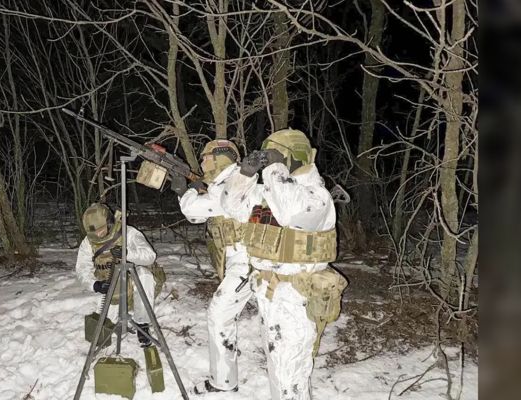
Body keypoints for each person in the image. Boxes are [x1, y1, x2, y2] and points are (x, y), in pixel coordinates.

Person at [221, 129, 348, 400]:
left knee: (290, 371)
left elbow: (291, 212)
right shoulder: (270, 192)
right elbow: (231, 206)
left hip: (296, 297)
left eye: (277, 154)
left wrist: (276, 168)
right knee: (278, 366)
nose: (270, 161)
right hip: (269, 293)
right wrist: (243, 176)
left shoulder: (317, 196)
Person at [170, 139, 257, 394]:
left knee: (219, 314)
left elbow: (193, 208)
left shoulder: (235, 182)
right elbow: (198, 216)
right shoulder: (222, 184)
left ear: (220, 158)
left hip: (248, 263)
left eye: (206, 156)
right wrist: (196, 186)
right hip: (240, 262)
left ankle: (223, 383)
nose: (202, 160)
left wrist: (182, 190)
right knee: (224, 316)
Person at [75, 203, 159, 347]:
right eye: (94, 232)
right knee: (104, 330)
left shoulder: (127, 232)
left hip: (131, 281)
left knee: (145, 276)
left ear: (109, 221)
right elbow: (82, 268)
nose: (98, 235)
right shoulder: (88, 242)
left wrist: (127, 254)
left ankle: (142, 323)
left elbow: (150, 256)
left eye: (101, 230)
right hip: (109, 285)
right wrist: (94, 285)